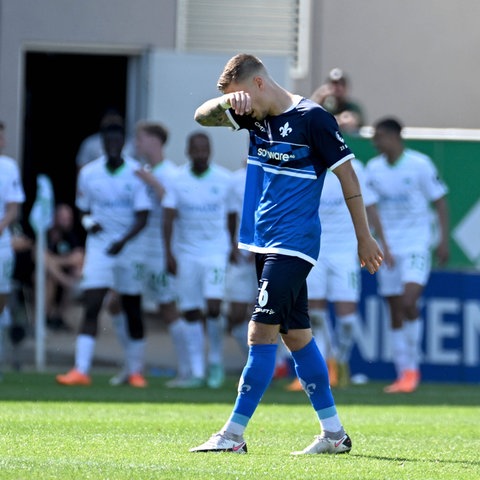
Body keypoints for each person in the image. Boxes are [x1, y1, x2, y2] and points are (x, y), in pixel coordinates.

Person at [189, 53, 383, 455]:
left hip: (293, 243)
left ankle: (232, 435)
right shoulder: (251, 114)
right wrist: (228, 104)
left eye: (241, 95)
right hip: (263, 241)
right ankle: (334, 435)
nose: (240, 105)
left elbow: (348, 177)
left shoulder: (313, 119)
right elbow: (200, 116)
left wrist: (364, 238)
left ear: (259, 83)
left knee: (260, 332)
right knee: (296, 336)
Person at [56, 121, 152, 387]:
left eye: (116, 141)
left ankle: (135, 371)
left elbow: (143, 217)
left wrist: (122, 241)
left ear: (123, 143)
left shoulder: (136, 172)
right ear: (103, 144)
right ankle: (81, 370)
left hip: (129, 248)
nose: (112, 145)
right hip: (99, 249)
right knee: (92, 304)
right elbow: (83, 210)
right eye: (107, 142)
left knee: (132, 308)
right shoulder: (88, 172)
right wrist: (89, 224)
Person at [285, 158, 387, 391]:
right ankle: (321, 369)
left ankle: (340, 360)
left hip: (345, 253)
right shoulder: (306, 165)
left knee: (348, 321)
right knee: (316, 317)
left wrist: (382, 243)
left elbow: (369, 205)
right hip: (315, 251)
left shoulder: (355, 168)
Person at [365, 117, 449, 394]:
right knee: (394, 307)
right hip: (387, 249)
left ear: (392, 136)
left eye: (378, 137)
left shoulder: (420, 164)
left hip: (416, 244)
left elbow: (440, 201)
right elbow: (371, 209)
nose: (375, 143)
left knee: (408, 300)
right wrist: (381, 244)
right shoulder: (373, 169)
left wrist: (443, 241)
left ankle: (412, 366)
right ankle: (405, 373)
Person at [108, 120, 183, 386]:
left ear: (154, 140)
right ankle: (132, 366)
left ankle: (190, 370)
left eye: (140, 138)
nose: (136, 144)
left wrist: (153, 183)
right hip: (137, 249)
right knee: (117, 303)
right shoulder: (140, 171)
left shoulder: (171, 174)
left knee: (167, 308)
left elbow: (174, 208)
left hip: (160, 251)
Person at [163, 131, 237, 389]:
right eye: (196, 148)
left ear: (210, 150)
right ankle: (197, 370)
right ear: (188, 151)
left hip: (215, 251)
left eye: (205, 148)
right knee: (191, 311)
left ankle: (215, 359)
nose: (201, 152)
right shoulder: (177, 179)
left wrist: (233, 246)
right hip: (186, 253)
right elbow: (168, 216)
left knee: (214, 306)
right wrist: (168, 253)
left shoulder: (224, 179)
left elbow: (231, 216)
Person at [224, 162, 257, 358]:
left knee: (268, 315)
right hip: (241, 256)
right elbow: (230, 215)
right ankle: (252, 360)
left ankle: (275, 364)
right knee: (235, 316)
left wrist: (260, 247)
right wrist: (231, 244)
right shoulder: (235, 179)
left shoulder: (274, 174)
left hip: (266, 255)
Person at [0, 121, 26, 366]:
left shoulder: (8, 168)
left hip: (1, 245)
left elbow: (13, 207)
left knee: (1, 297)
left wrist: (2, 225)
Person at [44, 203, 84, 331]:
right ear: (55, 217)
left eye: (69, 218)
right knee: (51, 278)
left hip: (62, 273)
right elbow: (40, 257)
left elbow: (78, 257)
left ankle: (58, 317)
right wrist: (61, 262)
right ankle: (46, 316)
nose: (67, 222)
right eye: (63, 218)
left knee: (77, 273)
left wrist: (55, 261)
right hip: (41, 275)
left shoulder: (70, 234)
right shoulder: (45, 233)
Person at [310, 68, 365, 134]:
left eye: (341, 84)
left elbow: (353, 121)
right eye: (334, 84)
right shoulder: (324, 106)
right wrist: (318, 96)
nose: (338, 88)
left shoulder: (352, 107)